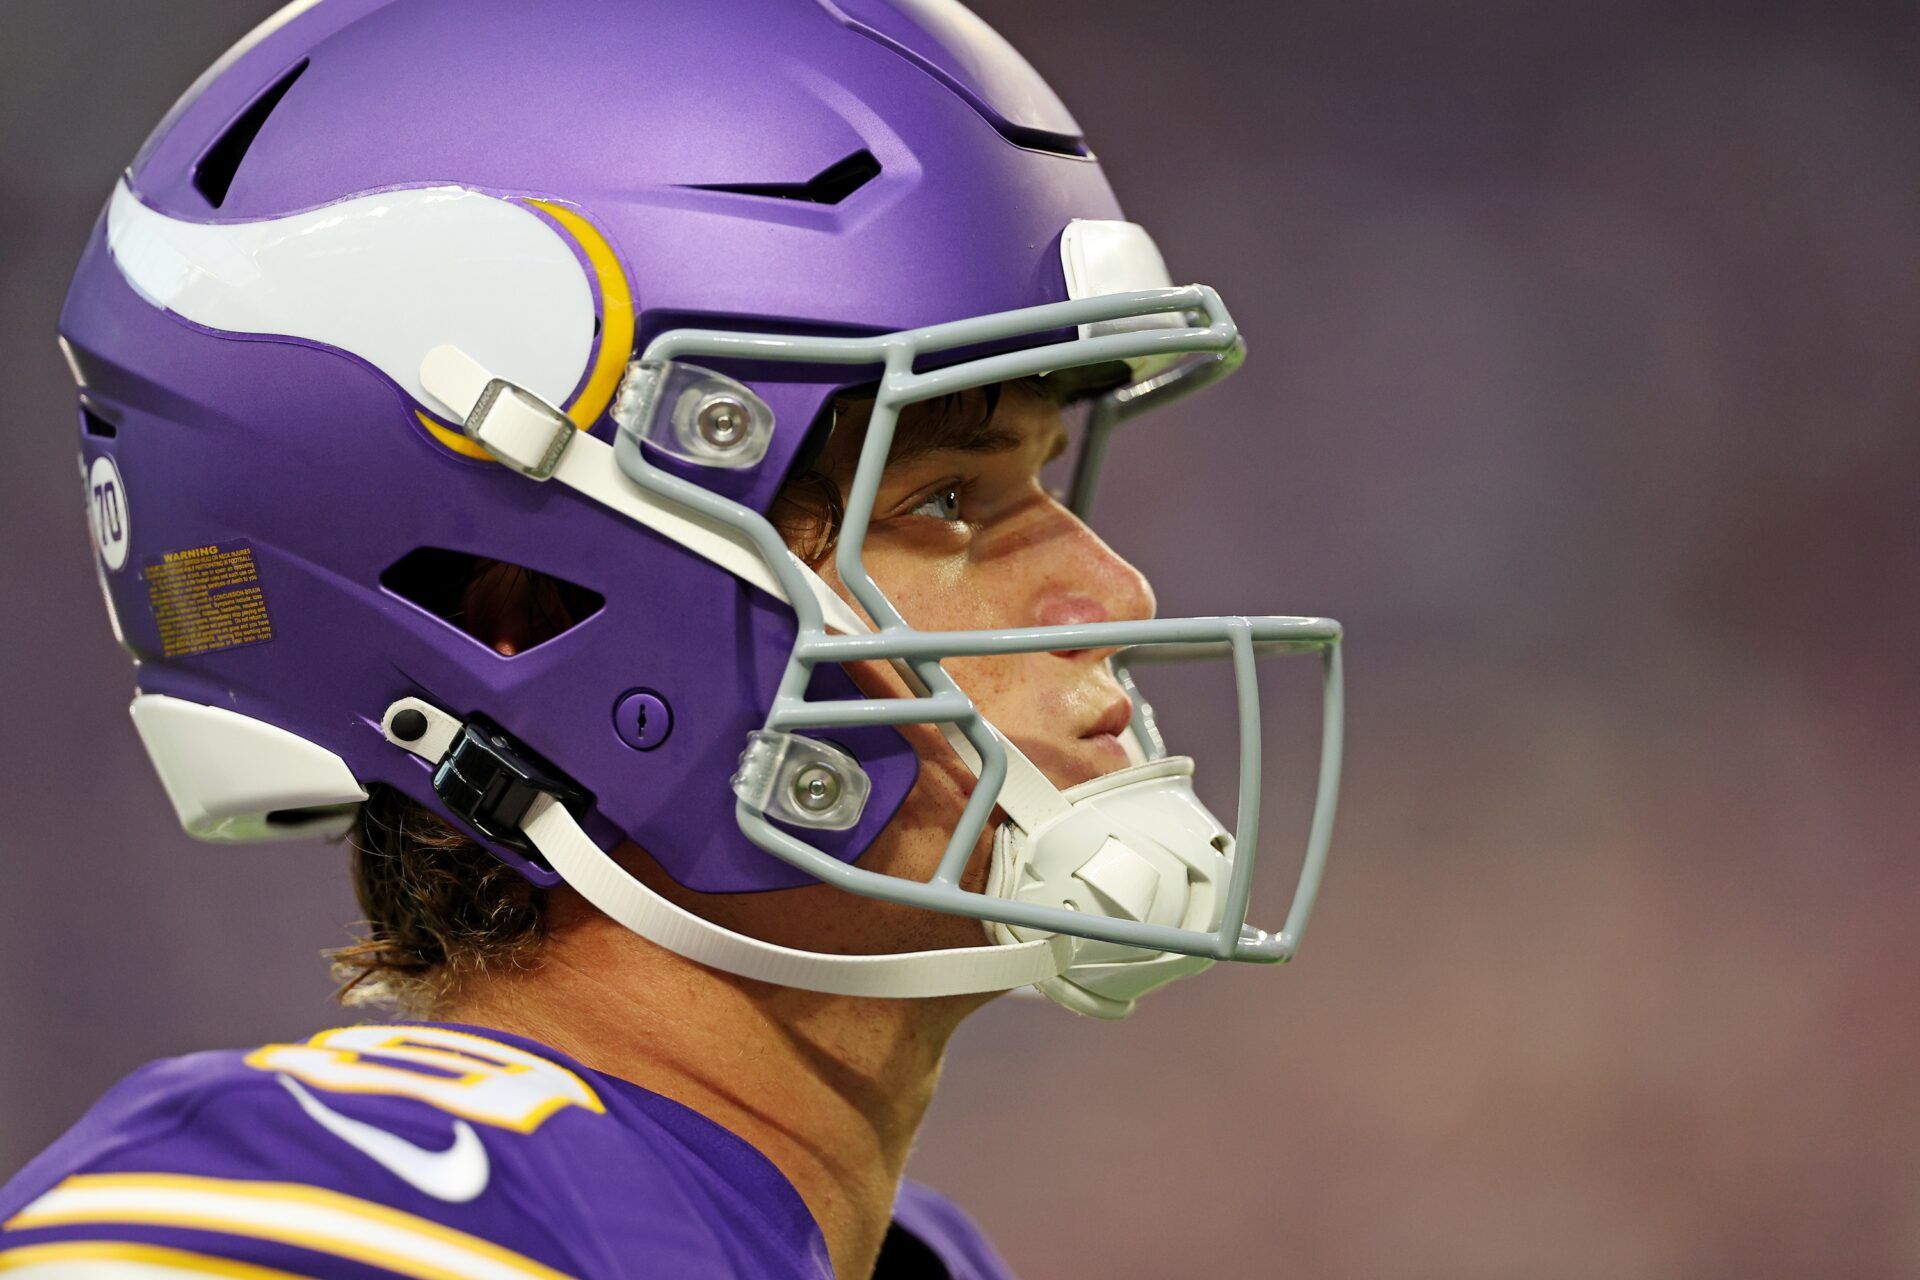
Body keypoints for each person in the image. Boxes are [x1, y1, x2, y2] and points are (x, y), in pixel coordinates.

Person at [5, 0, 1345, 1276]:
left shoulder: (877, 1244)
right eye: (945, 500)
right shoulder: (346, 1206)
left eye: (1047, 480)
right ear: (528, 616)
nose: (1110, 594)